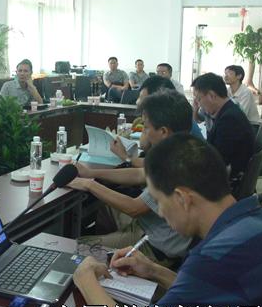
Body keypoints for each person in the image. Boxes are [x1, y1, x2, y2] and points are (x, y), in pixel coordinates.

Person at [73, 134, 262, 307]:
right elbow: (212, 291)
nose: (160, 212)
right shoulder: (256, 221)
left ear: (182, 198)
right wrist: (154, 271)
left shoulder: (216, 256)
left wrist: (85, 279)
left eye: (159, 201)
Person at [69, 90, 193, 265]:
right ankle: (111, 251)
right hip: (150, 226)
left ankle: (109, 260)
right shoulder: (180, 149)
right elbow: (138, 174)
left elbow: (134, 208)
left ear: (164, 131)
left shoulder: (174, 164)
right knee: (105, 207)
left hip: (154, 245)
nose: (145, 132)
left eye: (146, 127)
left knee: (76, 247)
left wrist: (89, 184)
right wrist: (91, 173)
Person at [110, 76, 204, 166]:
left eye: (142, 98)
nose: (137, 102)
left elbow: (145, 149)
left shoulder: (178, 128)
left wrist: (126, 157)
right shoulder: (173, 116)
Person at [192, 72, 255, 180]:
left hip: (227, 180)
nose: (198, 104)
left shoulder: (229, 119)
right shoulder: (228, 111)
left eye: (198, 99)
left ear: (212, 96)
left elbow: (217, 160)